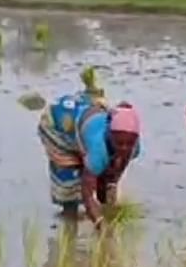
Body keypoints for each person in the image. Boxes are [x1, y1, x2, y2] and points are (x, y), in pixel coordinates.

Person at [38, 91, 141, 227]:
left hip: (84, 121)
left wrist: (108, 188)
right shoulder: (99, 148)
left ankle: (96, 209)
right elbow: (87, 193)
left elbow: (116, 169)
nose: (124, 148)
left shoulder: (133, 147)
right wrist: (100, 223)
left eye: (129, 144)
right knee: (69, 178)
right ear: (109, 135)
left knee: (105, 178)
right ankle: (69, 221)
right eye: (119, 143)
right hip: (59, 124)